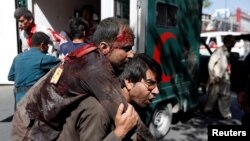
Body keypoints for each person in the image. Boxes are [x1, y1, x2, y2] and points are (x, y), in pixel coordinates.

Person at [11, 17, 155, 141]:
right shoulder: (94, 67)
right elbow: (126, 113)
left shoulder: (94, 58)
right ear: (104, 48)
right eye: (126, 48)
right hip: (28, 128)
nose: (131, 54)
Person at [56, 53, 162, 141]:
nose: (156, 91)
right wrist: (120, 132)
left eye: (157, 84)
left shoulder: (133, 107)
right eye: (150, 83)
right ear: (129, 82)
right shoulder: (99, 109)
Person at [8, 32, 60, 108]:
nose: (48, 47)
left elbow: (11, 77)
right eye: (47, 45)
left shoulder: (18, 57)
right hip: (34, 99)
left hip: (18, 100)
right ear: (42, 45)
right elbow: (61, 67)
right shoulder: (44, 58)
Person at [204, 35, 236, 119]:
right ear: (227, 41)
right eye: (232, 41)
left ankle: (226, 114)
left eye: (234, 41)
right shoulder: (219, 51)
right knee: (213, 95)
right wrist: (212, 77)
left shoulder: (228, 51)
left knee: (226, 96)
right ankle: (208, 109)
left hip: (225, 78)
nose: (234, 43)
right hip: (217, 78)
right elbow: (210, 64)